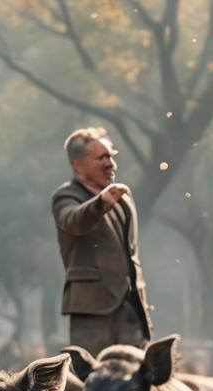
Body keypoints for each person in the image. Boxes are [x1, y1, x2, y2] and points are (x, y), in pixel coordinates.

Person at [52, 127, 152, 354]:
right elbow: (74, 220)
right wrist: (102, 202)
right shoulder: (66, 196)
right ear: (77, 165)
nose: (111, 164)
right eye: (101, 158)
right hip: (92, 309)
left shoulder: (122, 198)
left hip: (131, 306)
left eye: (111, 156)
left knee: (136, 378)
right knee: (92, 377)